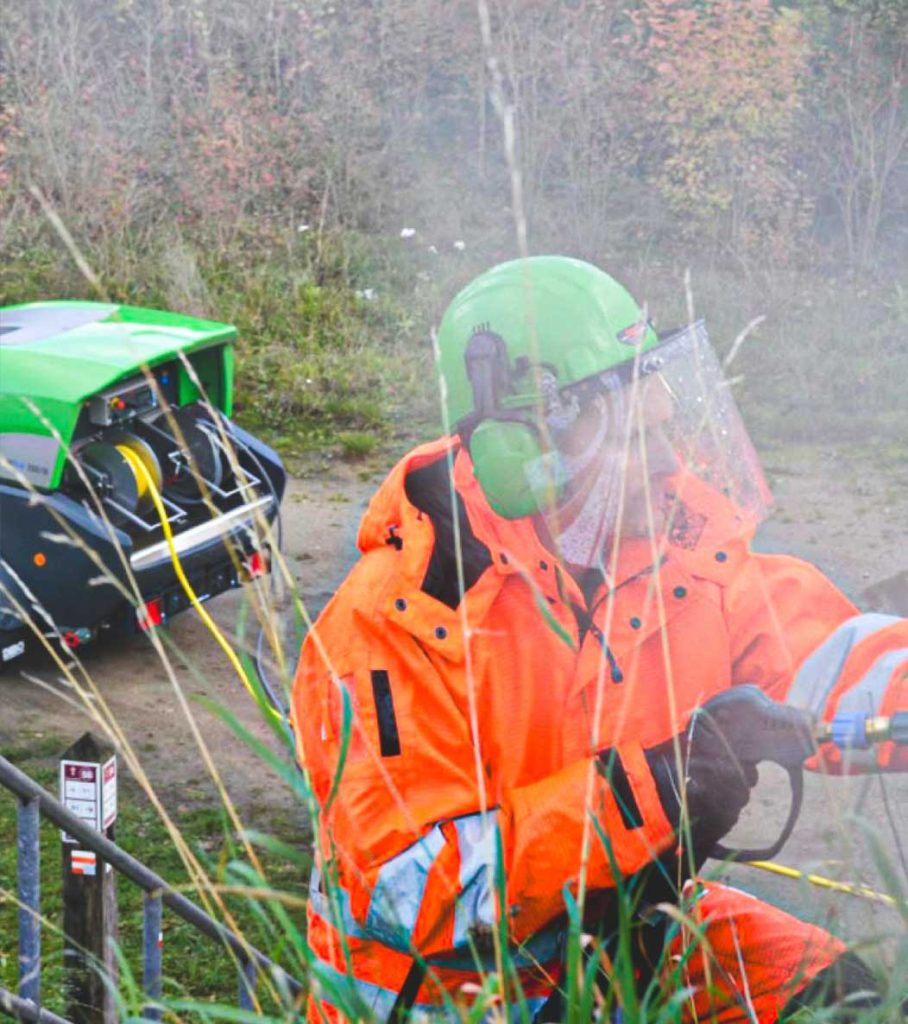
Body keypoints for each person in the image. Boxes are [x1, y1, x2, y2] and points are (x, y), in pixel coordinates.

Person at [291, 256, 907, 1022]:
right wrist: (653, 791)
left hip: (627, 924)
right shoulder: (393, 625)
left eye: (665, 427)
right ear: (523, 451)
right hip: (458, 993)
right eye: (634, 438)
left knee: (846, 1000)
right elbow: (408, 895)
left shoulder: (668, 549)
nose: (669, 462)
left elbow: (822, 654)